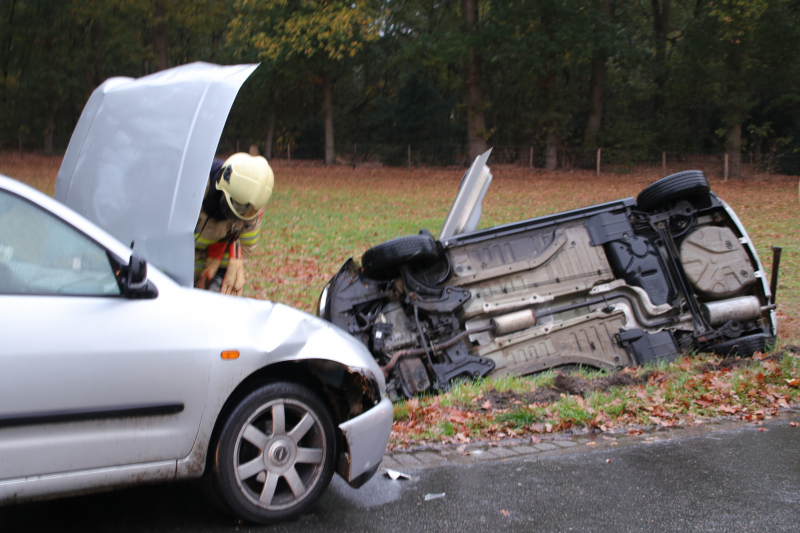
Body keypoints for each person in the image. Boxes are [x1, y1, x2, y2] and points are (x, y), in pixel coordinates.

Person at [194, 153, 274, 296]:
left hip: (206, 280)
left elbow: (245, 248)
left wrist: (219, 276)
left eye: (247, 211)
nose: (242, 215)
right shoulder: (195, 187)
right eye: (238, 207)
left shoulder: (252, 205)